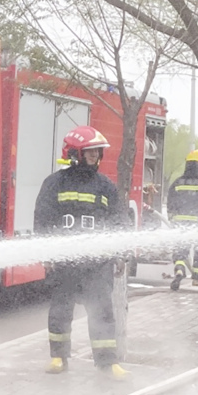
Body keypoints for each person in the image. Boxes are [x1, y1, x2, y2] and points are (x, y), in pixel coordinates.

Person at [33, 126, 131, 380]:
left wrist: (120, 253)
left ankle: (107, 362)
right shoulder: (54, 183)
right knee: (60, 310)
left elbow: (119, 221)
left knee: (102, 312)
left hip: (97, 263)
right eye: (90, 152)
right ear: (74, 153)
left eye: (97, 152)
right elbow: (42, 220)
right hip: (64, 261)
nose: (95, 156)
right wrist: (47, 253)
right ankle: (58, 357)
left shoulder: (106, 186)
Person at [167, 150, 198, 290]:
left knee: (180, 250)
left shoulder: (177, 183)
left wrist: (172, 219)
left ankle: (179, 270)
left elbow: (170, 203)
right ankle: (197, 278)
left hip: (180, 223)